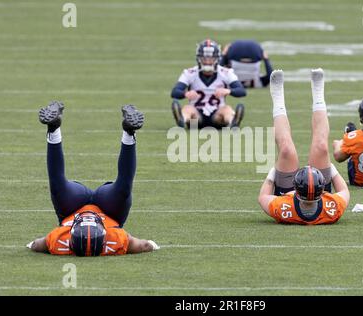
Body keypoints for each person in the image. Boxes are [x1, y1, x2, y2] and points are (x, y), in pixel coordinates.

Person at [27, 101, 159, 256]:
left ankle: (54, 128)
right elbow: (144, 245)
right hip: (109, 209)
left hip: (72, 207)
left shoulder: (59, 240)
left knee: (57, 185)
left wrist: (32, 245)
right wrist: (152, 245)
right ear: (104, 232)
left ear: (70, 232)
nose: (88, 216)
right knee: (124, 189)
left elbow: (36, 244)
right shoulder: (115, 239)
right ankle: (129, 133)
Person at [258, 69, 350, 225]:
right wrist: (332, 169)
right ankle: (318, 91)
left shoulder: (284, 208)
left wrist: (272, 174)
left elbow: (263, 198)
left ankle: (278, 98)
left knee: (286, 150)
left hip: (284, 192)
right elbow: (344, 192)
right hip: (318, 191)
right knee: (321, 146)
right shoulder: (332, 209)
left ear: (295, 187)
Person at [171, 39, 246, 129]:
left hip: (218, 117)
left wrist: (228, 91)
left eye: (211, 58)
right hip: (196, 120)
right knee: (188, 108)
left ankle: (232, 121)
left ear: (217, 59)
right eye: (204, 58)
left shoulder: (226, 73)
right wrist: (185, 93)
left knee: (226, 109)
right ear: (199, 58)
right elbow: (175, 92)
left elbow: (241, 91)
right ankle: (182, 119)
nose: (207, 61)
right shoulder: (190, 73)